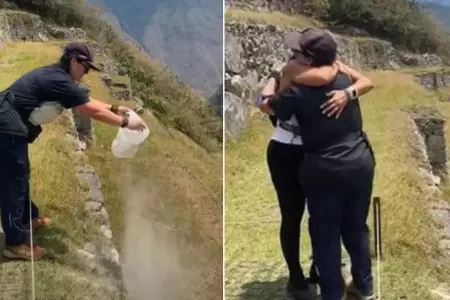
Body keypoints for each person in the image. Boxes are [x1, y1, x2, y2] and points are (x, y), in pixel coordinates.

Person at [258, 28, 376, 300]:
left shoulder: (296, 92)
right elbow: (364, 80)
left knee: (325, 233)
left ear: (308, 59)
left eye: (296, 53)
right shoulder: (345, 78)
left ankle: (332, 293)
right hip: (360, 160)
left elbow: (265, 106)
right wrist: (349, 92)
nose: (291, 55)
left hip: (324, 166)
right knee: (356, 226)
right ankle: (364, 286)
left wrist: (276, 77)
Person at [0, 42, 146, 261]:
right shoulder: (59, 79)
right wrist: (124, 123)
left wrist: (116, 109)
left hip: (10, 118)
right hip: (5, 122)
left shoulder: (61, 78)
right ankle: (15, 244)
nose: (86, 72)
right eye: (85, 67)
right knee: (14, 179)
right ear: (73, 60)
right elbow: (85, 108)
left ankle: (27, 219)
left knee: (21, 173)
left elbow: (83, 100)